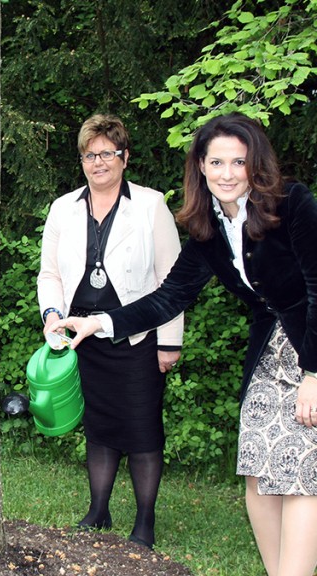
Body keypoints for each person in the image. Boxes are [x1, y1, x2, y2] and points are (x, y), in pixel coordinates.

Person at [55, 112, 317, 575]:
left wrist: (314, 374)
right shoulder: (208, 230)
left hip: (311, 349)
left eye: (239, 162)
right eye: (216, 163)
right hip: (270, 353)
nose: (227, 173)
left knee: (299, 473)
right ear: (200, 167)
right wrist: (101, 322)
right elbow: (168, 298)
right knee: (257, 465)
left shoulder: (291, 202)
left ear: (256, 164)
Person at [38, 114, 183, 549]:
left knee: (141, 429)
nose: (97, 162)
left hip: (138, 336)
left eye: (106, 153)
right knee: (99, 428)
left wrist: (170, 342)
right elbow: (49, 274)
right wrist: (51, 316)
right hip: (80, 337)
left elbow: (171, 280)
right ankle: (98, 509)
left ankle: (144, 520)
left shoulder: (151, 205)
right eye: (89, 154)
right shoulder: (63, 207)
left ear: (124, 157)